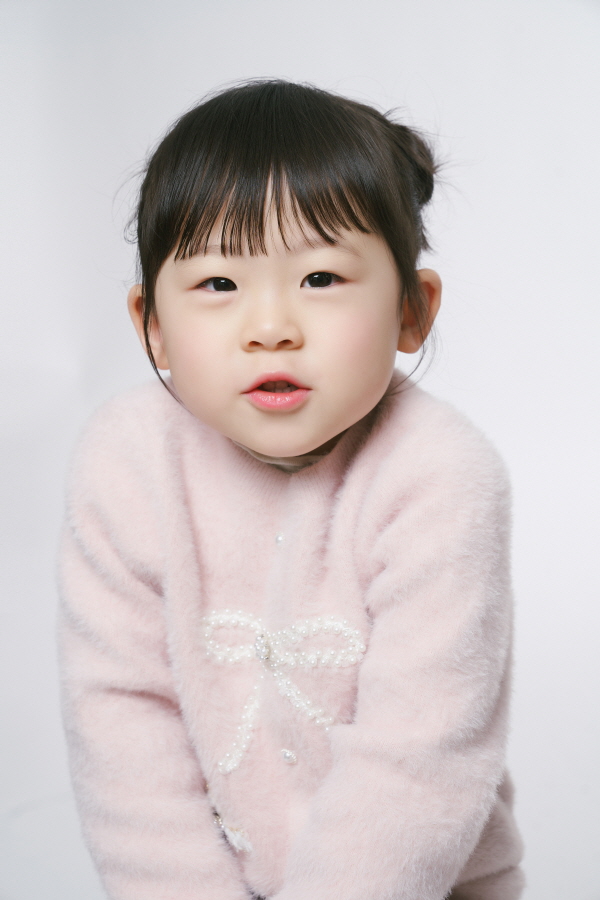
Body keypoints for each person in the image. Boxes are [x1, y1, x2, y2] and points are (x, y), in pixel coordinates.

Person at [58, 79, 524, 900]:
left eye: (321, 278)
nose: (270, 327)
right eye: (218, 285)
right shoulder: (127, 460)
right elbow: (122, 724)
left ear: (412, 311)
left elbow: (420, 757)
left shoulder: (441, 474)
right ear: (152, 326)